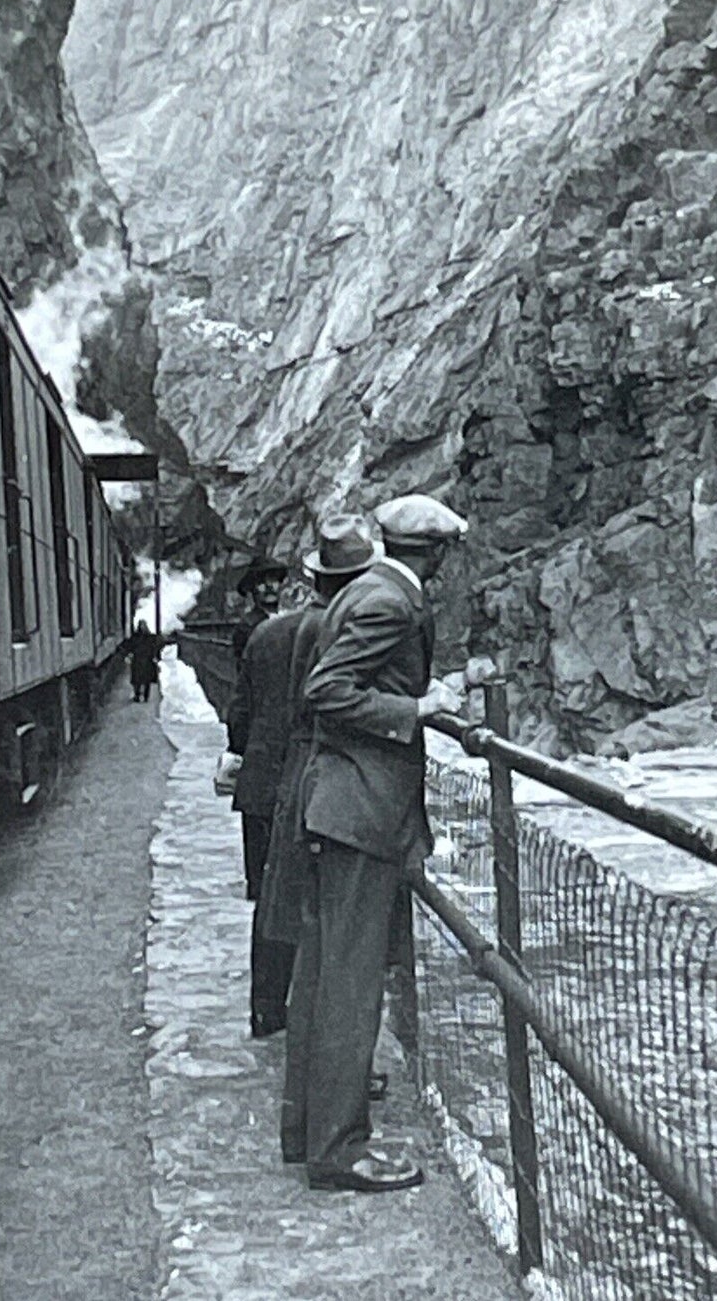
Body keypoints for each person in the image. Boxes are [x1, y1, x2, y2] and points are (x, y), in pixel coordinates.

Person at [285, 493, 466, 1193]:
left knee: (329, 974)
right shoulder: (389, 601)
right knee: (352, 986)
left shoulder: (366, 588)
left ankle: (310, 1128)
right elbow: (326, 690)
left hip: (339, 804)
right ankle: (337, 1150)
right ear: (437, 556)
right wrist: (415, 708)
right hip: (361, 809)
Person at [258, 515, 376, 1080]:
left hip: (294, 776)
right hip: (325, 783)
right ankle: (333, 1073)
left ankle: (273, 1020)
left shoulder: (288, 628)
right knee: (330, 933)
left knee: (292, 913)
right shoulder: (335, 630)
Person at [224, 557, 318, 1037]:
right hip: (306, 782)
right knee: (315, 901)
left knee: (268, 897)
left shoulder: (259, 636)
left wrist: (242, 756)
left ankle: (266, 1008)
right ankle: (307, 1013)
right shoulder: (330, 634)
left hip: (262, 782)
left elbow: (238, 712)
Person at [231, 556, 287, 665]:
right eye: (261, 581)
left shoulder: (289, 618)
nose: (269, 585)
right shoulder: (247, 626)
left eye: (273, 578)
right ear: (252, 588)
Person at [127, 619, 167, 702]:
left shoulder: (140, 637)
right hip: (141, 660)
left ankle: (142, 696)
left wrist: (155, 656)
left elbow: (155, 646)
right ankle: (139, 696)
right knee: (141, 680)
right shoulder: (146, 637)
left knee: (142, 680)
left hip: (143, 660)